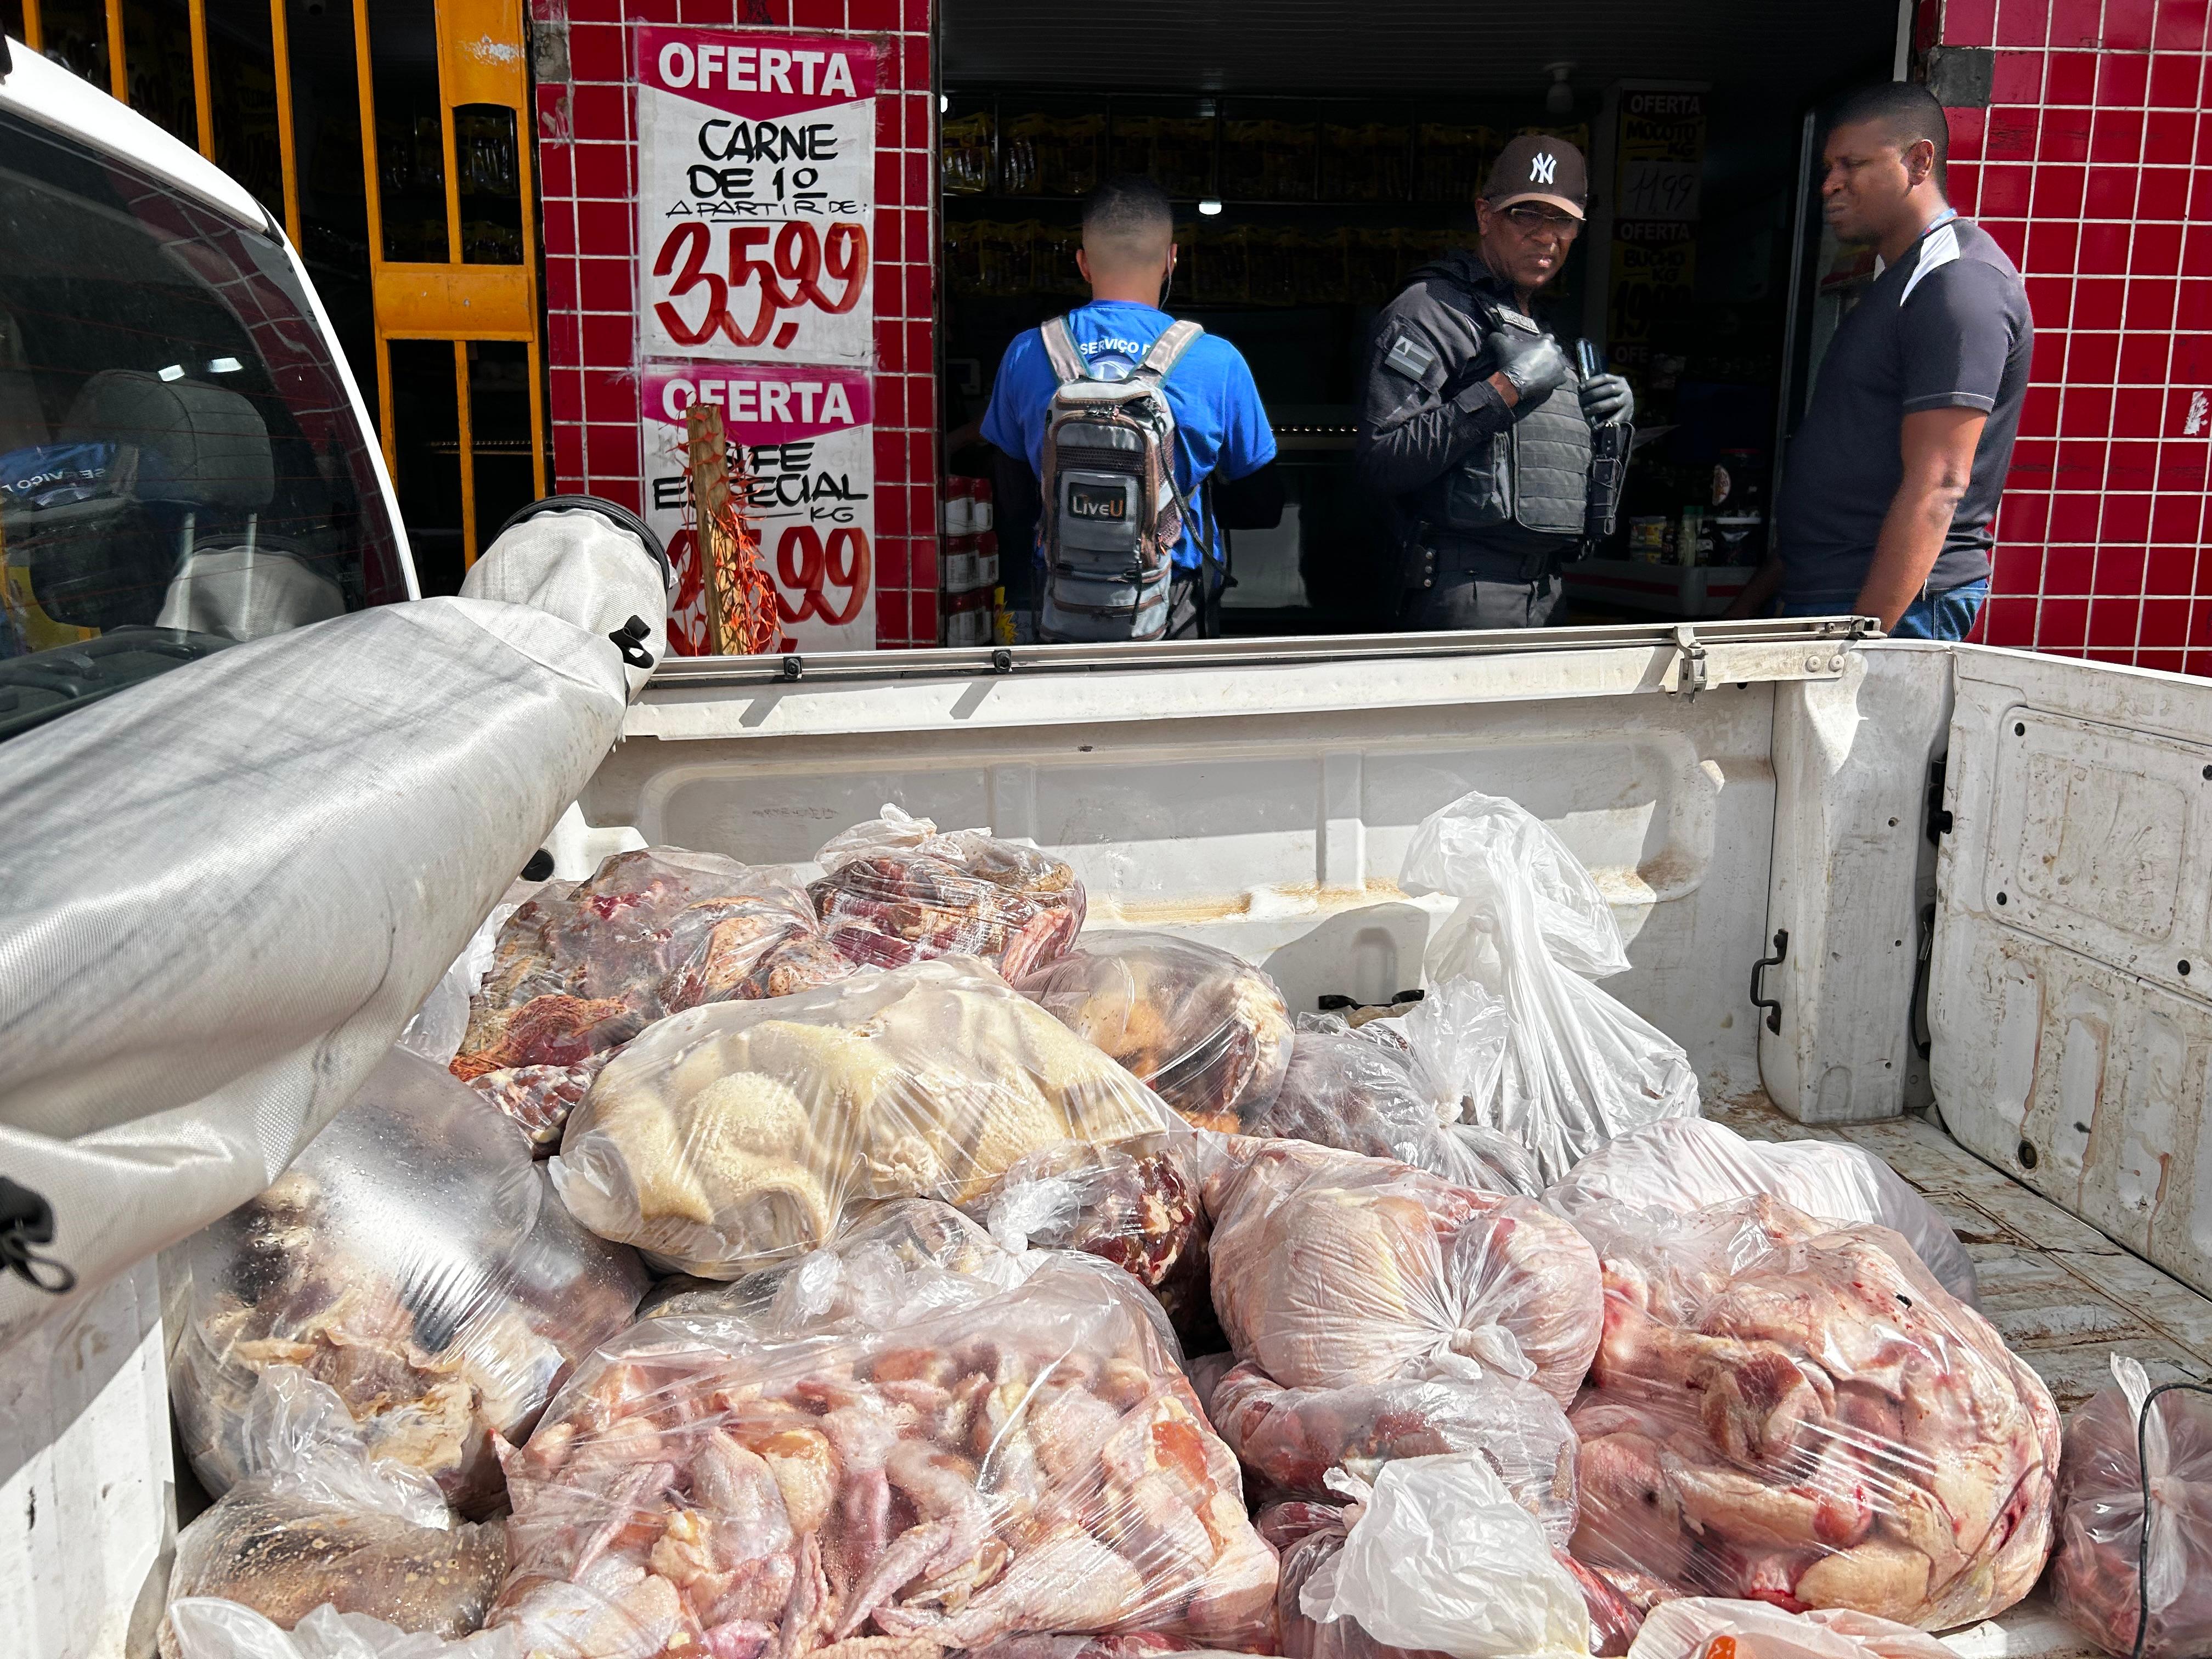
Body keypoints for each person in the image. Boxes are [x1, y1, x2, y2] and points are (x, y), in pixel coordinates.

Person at [1725, 81, 2032, 638]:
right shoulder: (1898, 284)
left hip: (1892, 609)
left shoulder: (1958, 284)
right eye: (1829, 167)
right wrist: (1747, 609)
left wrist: (1859, 642)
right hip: (1832, 596)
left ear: (1918, 162)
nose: (1830, 184)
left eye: (1853, 164)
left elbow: (1940, 483)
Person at [980, 175, 1281, 639]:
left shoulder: (1027, 352)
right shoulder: (1217, 360)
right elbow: (1265, 506)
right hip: (1174, 601)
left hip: (1062, 596)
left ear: (1083, 263)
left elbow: (1013, 505)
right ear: (1171, 260)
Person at [1355, 134, 1634, 630]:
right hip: (1464, 587)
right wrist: (1506, 389)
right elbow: (1383, 460)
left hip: (1547, 588)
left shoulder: (1538, 325)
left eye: (1563, 220)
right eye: (1526, 215)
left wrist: (1610, 426)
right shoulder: (1431, 310)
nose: (1545, 236)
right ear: (1485, 216)